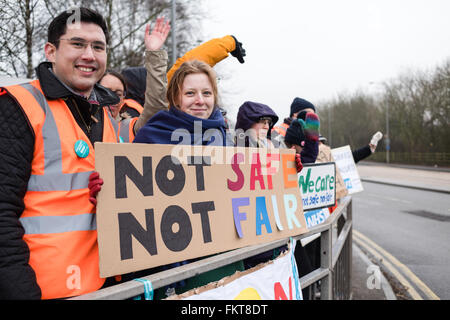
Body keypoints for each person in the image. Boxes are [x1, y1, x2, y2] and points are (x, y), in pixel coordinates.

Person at [0, 7, 124, 299]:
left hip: (105, 285)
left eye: (98, 47)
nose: (89, 55)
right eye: (78, 44)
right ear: (51, 51)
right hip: (45, 289)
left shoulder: (106, 114)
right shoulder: (19, 106)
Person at [133, 59, 241, 298]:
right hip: (170, 265)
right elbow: (129, 192)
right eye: (190, 93)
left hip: (223, 259)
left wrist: (283, 171)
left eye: (206, 93)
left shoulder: (224, 136)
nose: (200, 101)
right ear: (175, 98)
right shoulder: (152, 134)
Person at [272, 97, 320, 164]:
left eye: (313, 114)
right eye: (308, 113)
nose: (311, 117)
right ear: (295, 113)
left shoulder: (310, 131)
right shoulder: (276, 131)